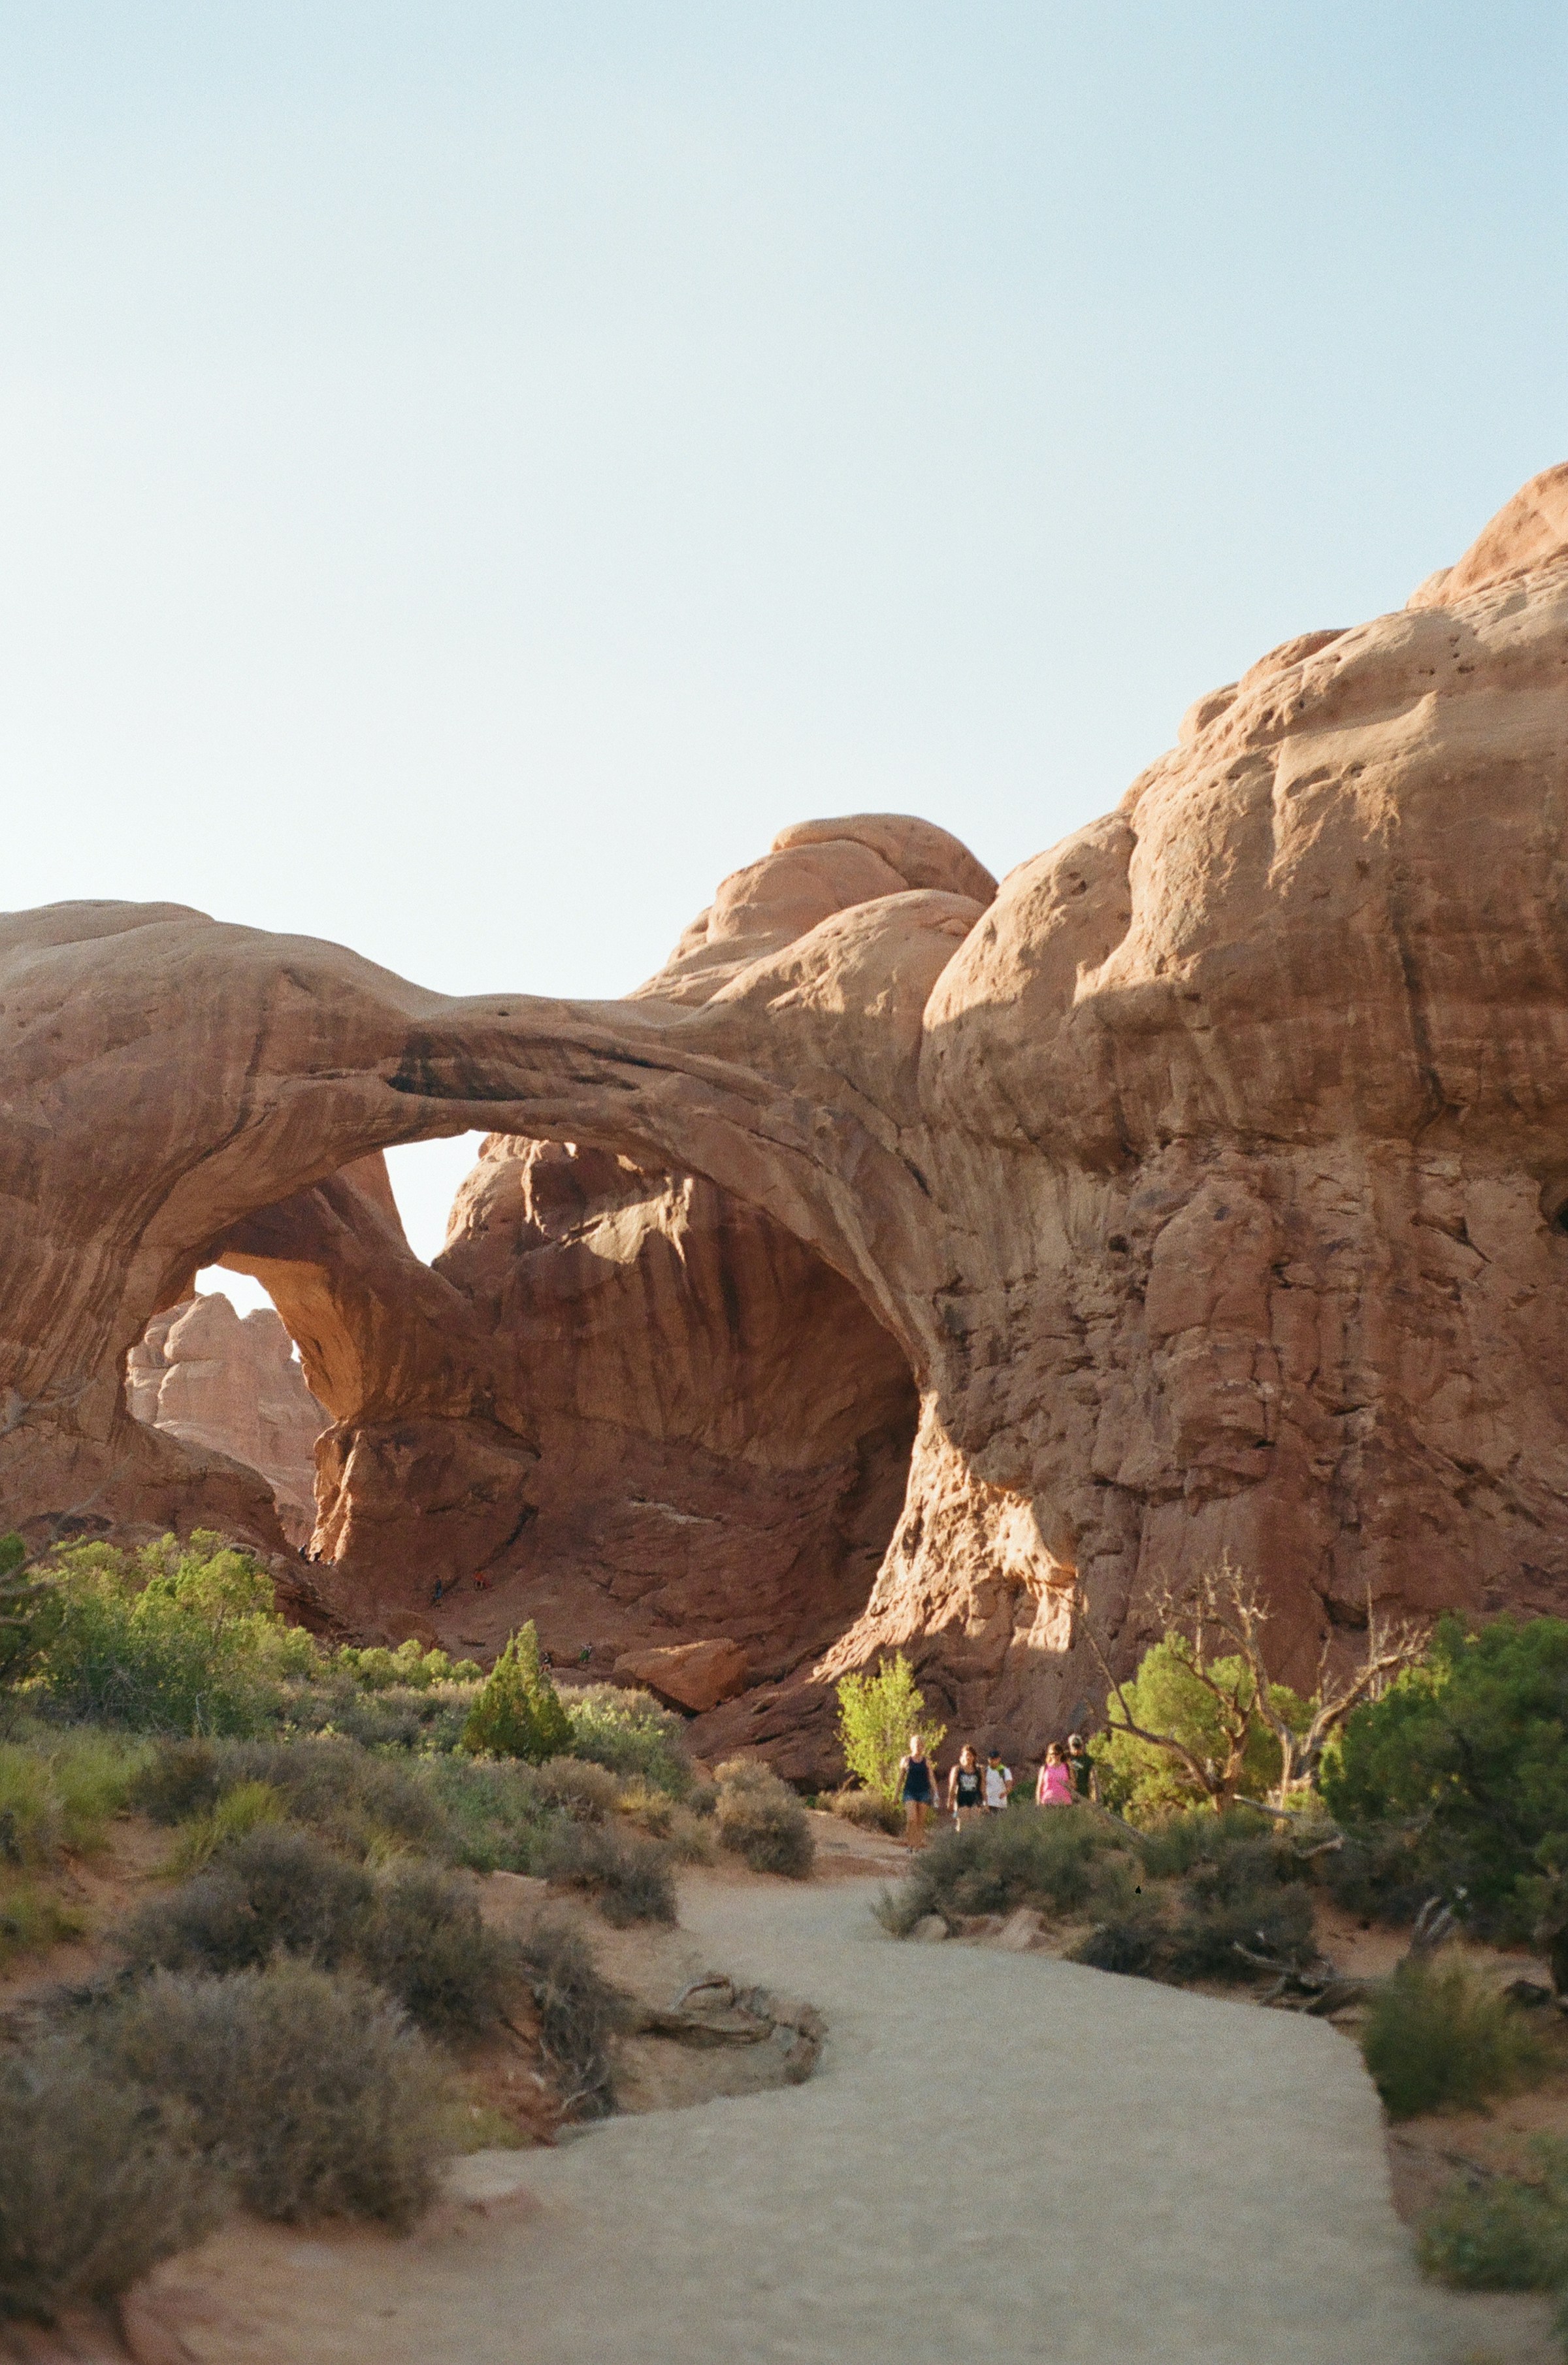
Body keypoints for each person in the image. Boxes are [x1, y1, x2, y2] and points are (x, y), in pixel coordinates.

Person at [897, 1733, 937, 1846]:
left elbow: (932, 1778)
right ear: (911, 1746)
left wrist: (936, 1794)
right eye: (916, 1744)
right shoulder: (906, 1760)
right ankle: (910, 1843)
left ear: (923, 1746)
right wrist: (896, 1796)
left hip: (924, 1792)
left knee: (920, 1821)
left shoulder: (927, 1762)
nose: (918, 1747)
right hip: (909, 1792)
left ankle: (917, 1845)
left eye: (921, 1744)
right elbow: (900, 1779)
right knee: (912, 1819)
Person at [947, 1743, 985, 1827]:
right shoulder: (957, 1770)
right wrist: (950, 1801)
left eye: (971, 1755)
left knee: (976, 1826)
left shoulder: (979, 1770)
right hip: (962, 1799)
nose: (969, 1757)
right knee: (963, 1826)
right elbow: (952, 1786)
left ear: (974, 1757)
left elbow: (983, 1788)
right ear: (962, 1757)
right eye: (967, 1755)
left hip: (976, 1799)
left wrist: (985, 1802)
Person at [1037, 1742, 1073, 1807]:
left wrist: (1069, 1784)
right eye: (1052, 1754)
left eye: (1057, 1754)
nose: (1054, 1756)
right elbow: (1039, 1787)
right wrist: (1038, 1802)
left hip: (1065, 1803)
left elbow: (1073, 1785)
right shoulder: (1045, 1768)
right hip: (1048, 1803)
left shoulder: (1067, 1767)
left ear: (1061, 1754)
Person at [1066, 1731, 1098, 1804]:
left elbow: (1093, 1779)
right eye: (1074, 1747)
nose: (1077, 1750)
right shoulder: (1066, 1758)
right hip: (1068, 1794)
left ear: (1082, 1746)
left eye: (1078, 1747)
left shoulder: (1088, 1760)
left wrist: (1094, 1795)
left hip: (1083, 1794)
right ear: (1070, 1746)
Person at [983, 1749, 1013, 1813]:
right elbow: (983, 1786)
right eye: (991, 1759)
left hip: (1000, 1804)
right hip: (989, 1803)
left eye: (995, 1759)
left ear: (999, 1759)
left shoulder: (1004, 1771)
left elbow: (1009, 1785)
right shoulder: (986, 1771)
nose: (993, 1761)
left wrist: (1005, 1792)